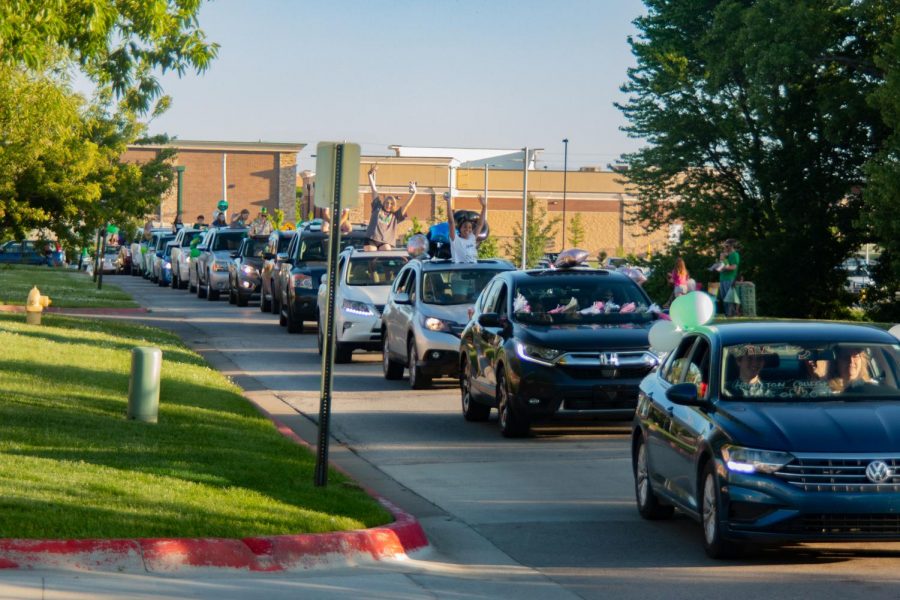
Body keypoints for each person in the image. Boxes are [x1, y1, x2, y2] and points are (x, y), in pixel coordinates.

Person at [364, 164, 418, 251]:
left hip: (385, 241)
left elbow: (406, 205)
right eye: (387, 203)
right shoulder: (377, 207)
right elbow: (374, 190)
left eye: (391, 204)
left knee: (386, 251)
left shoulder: (395, 216)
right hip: (371, 239)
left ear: (394, 205)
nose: (388, 205)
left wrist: (414, 193)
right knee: (371, 254)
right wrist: (370, 174)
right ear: (384, 202)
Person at [447, 193, 487, 264]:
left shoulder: (472, 238)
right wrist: (448, 202)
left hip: (472, 270)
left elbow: (480, 224)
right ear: (460, 229)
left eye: (470, 227)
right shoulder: (455, 239)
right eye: (465, 227)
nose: (467, 229)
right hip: (460, 271)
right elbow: (451, 222)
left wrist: (484, 207)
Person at [717, 239, 740, 317]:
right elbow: (721, 267)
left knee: (729, 297)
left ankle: (732, 314)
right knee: (724, 297)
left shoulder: (735, 255)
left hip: (729, 279)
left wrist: (724, 264)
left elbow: (733, 267)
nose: (725, 247)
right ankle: (727, 313)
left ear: (731, 246)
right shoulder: (726, 255)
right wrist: (721, 260)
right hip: (722, 279)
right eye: (725, 246)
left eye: (727, 246)